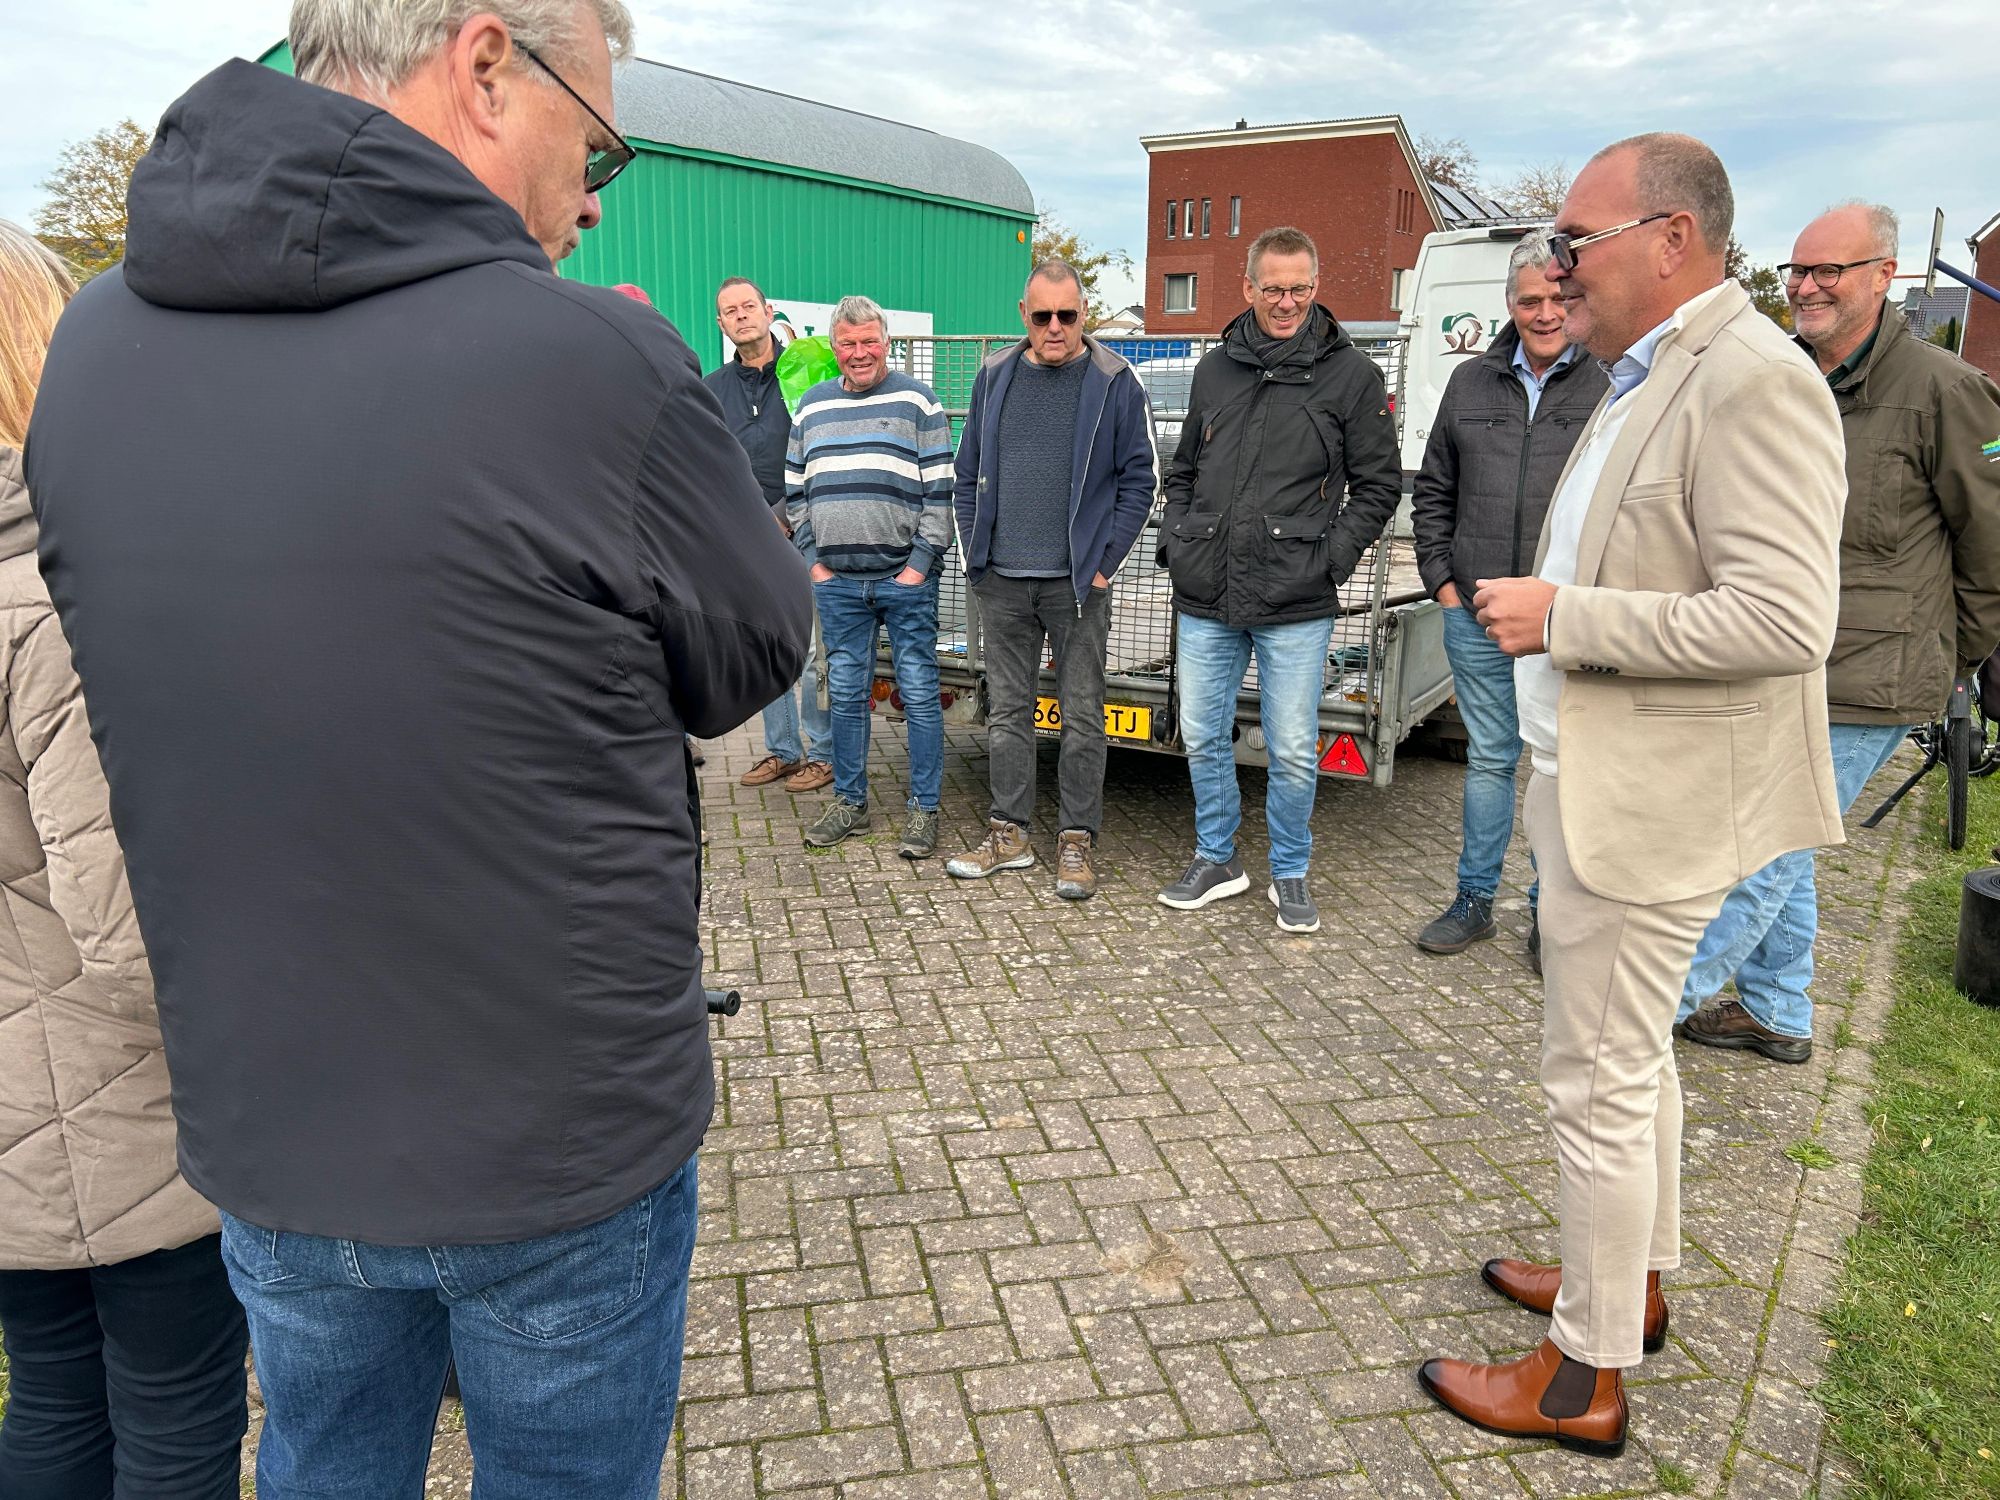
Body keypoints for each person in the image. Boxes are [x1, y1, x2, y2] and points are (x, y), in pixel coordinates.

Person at [24, 2, 811, 1494]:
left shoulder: (96, 350)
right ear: (488, 62)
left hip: (270, 1123)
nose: (593, 194)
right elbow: (749, 659)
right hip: (556, 1138)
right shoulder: (597, 362)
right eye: (599, 143)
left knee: (322, 1464)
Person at [1417, 134, 1846, 1455]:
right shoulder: (1652, 368)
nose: (1557, 266)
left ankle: (1581, 1377)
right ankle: (1628, 1285)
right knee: (1631, 1061)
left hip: (1649, 803)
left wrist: (1565, 617)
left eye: (1576, 239)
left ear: (1670, 239)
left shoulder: (1751, 378)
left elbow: (1784, 618)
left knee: (1594, 1080)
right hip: (1596, 775)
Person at [0, 219, 247, 1500]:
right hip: (109, 1111)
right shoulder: (44, 600)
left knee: (48, 1396)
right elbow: (125, 921)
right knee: (173, 1418)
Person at [1675, 202, 2000, 1063]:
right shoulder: (1781, 374)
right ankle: (1778, 1011)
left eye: (1830, 270)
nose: (1806, 286)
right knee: (1791, 843)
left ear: (1885, 275)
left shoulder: (1944, 390)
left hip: (1870, 673)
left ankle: (1654, 1003)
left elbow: (1992, 546)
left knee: (1764, 846)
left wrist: (1952, 656)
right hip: (1776, 655)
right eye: (1798, 269)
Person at [1154, 225, 1401, 933]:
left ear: (1315, 288)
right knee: (1203, 735)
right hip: (1207, 589)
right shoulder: (1215, 369)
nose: (1286, 302)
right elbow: (1183, 469)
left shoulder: (1351, 376)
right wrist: (1179, 538)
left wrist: (1330, 559)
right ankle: (1217, 858)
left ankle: (1290, 870)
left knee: (1291, 748)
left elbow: (1379, 486)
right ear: (1249, 287)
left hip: (1296, 596)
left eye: (1299, 289)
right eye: (1273, 289)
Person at [1411, 230, 1608, 968]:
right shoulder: (1470, 383)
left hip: (1567, 617)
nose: (1546, 313)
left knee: (1564, 769)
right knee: (1491, 760)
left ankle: (1548, 911)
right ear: (1510, 306)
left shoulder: (1609, 382)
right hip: (1480, 612)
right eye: (1530, 301)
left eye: (1557, 297)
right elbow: (1434, 488)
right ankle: (1474, 901)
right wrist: (1444, 583)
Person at [946, 259, 1158, 899]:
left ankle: (1076, 839)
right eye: (1043, 316)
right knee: (1007, 714)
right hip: (1003, 583)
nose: (1056, 327)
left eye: (1068, 314)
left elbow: (1141, 479)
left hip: (1077, 587)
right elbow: (965, 473)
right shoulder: (993, 376)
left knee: (1084, 716)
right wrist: (975, 559)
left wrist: (1103, 566)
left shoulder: (1115, 382)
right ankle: (1008, 834)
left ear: (1084, 313)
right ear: (1024, 315)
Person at [786, 294, 955, 858]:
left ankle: (924, 809)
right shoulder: (811, 406)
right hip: (837, 584)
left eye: (868, 342)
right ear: (833, 347)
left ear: (886, 343)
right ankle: (850, 802)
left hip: (904, 581)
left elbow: (941, 491)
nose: (859, 353)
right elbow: (794, 491)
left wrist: (918, 567)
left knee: (921, 694)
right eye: (847, 343)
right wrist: (814, 561)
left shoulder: (919, 402)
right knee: (846, 696)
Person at [707, 275, 833, 793]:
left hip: (805, 527)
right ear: (721, 324)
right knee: (766, 643)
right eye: (730, 311)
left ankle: (822, 753)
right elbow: (709, 460)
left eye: (748, 306)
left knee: (814, 648)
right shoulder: (712, 389)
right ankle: (783, 750)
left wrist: (782, 512)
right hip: (748, 536)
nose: (741, 316)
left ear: (768, 311)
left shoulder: (805, 373)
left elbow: (821, 448)